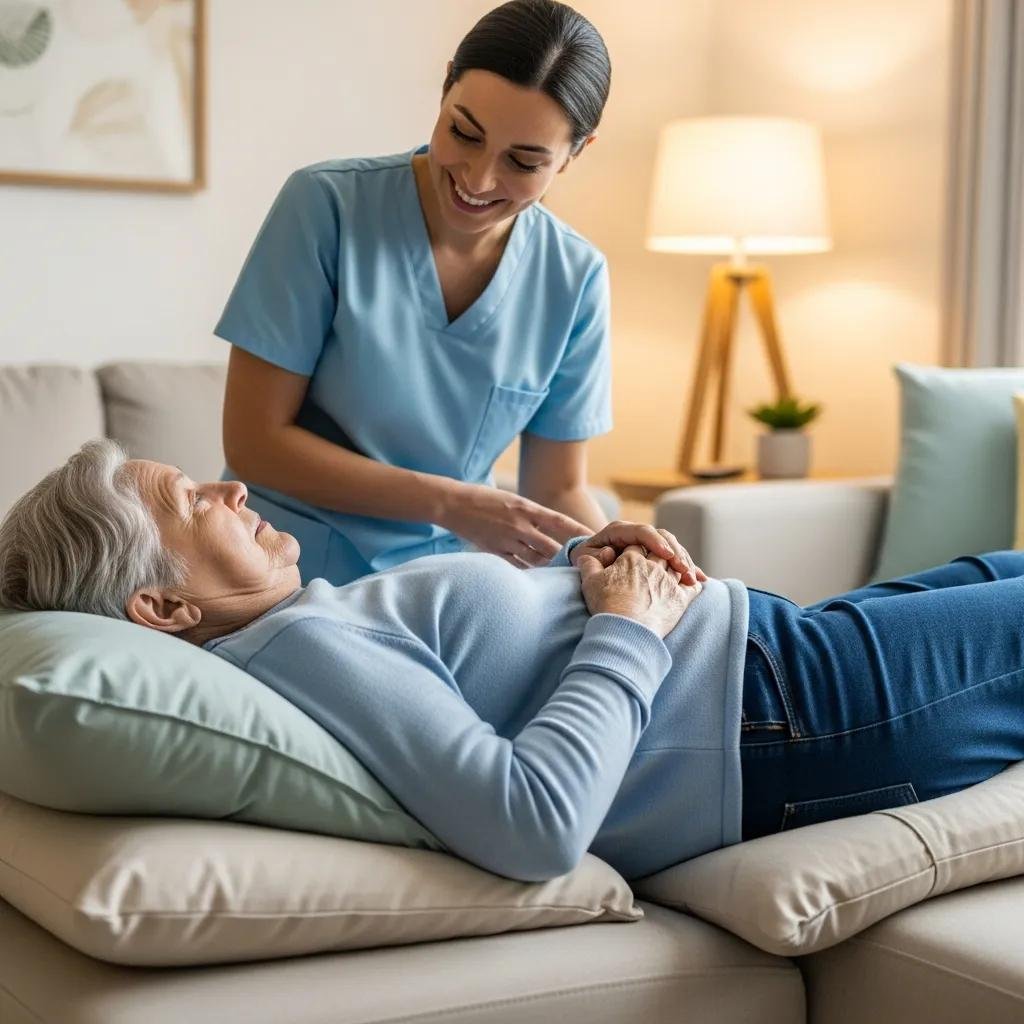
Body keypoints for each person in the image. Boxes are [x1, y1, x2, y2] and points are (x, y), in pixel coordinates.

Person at [3, 441, 1024, 882]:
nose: (231, 489)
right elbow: (534, 824)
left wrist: (589, 559)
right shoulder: (299, 649)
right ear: (162, 606)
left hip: (770, 658)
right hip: (776, 710)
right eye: (194, 502)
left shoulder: (299, 626)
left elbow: (495, 661)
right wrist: (628, 625)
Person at [215, 0, 616, 587]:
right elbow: (254, 443)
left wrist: (623, 557)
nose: (478, 179)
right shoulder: (326, 206)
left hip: (447, 588)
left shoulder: (575, 276)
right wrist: (451, 504)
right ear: (446, 86)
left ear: (576, 153)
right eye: (464, 133)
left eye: (523, 162)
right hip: (282, 567)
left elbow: (556, 488)